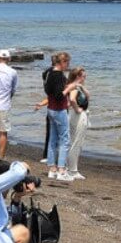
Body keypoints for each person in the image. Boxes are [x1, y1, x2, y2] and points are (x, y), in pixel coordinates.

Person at [44, 52, 79, 181]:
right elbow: (60, 95)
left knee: (53, 139)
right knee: (65, 140)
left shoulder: (49, 73)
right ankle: (61, 170)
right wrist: (69, 87)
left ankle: (52, 169)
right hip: (59, 110)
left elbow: (48, 91)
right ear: (62, 62)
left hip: (51, 109)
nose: (68, 65)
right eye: (67, 62)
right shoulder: (58, 75)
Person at [34, 54, 59, 163]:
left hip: (51, 106)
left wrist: (42, 103)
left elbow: (50, 94)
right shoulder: (56, 74)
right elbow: (56, 94)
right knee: (60, 134)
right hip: (57, 108)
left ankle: (47, 155)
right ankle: (53, 156)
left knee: (51, 132)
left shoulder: (47, 73)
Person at [66, 66, 90, 180]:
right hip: (78, 115)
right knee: (76, 143)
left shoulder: (76, 86)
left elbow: (88, 96)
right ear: (78, 76)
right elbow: (72, 99)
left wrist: (82, 87)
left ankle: (70, 167)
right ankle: (73, 170)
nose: (85, 78)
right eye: (84, 76)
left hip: (76, 115)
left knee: (74, 141)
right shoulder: (74, 88)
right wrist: (77, 109)